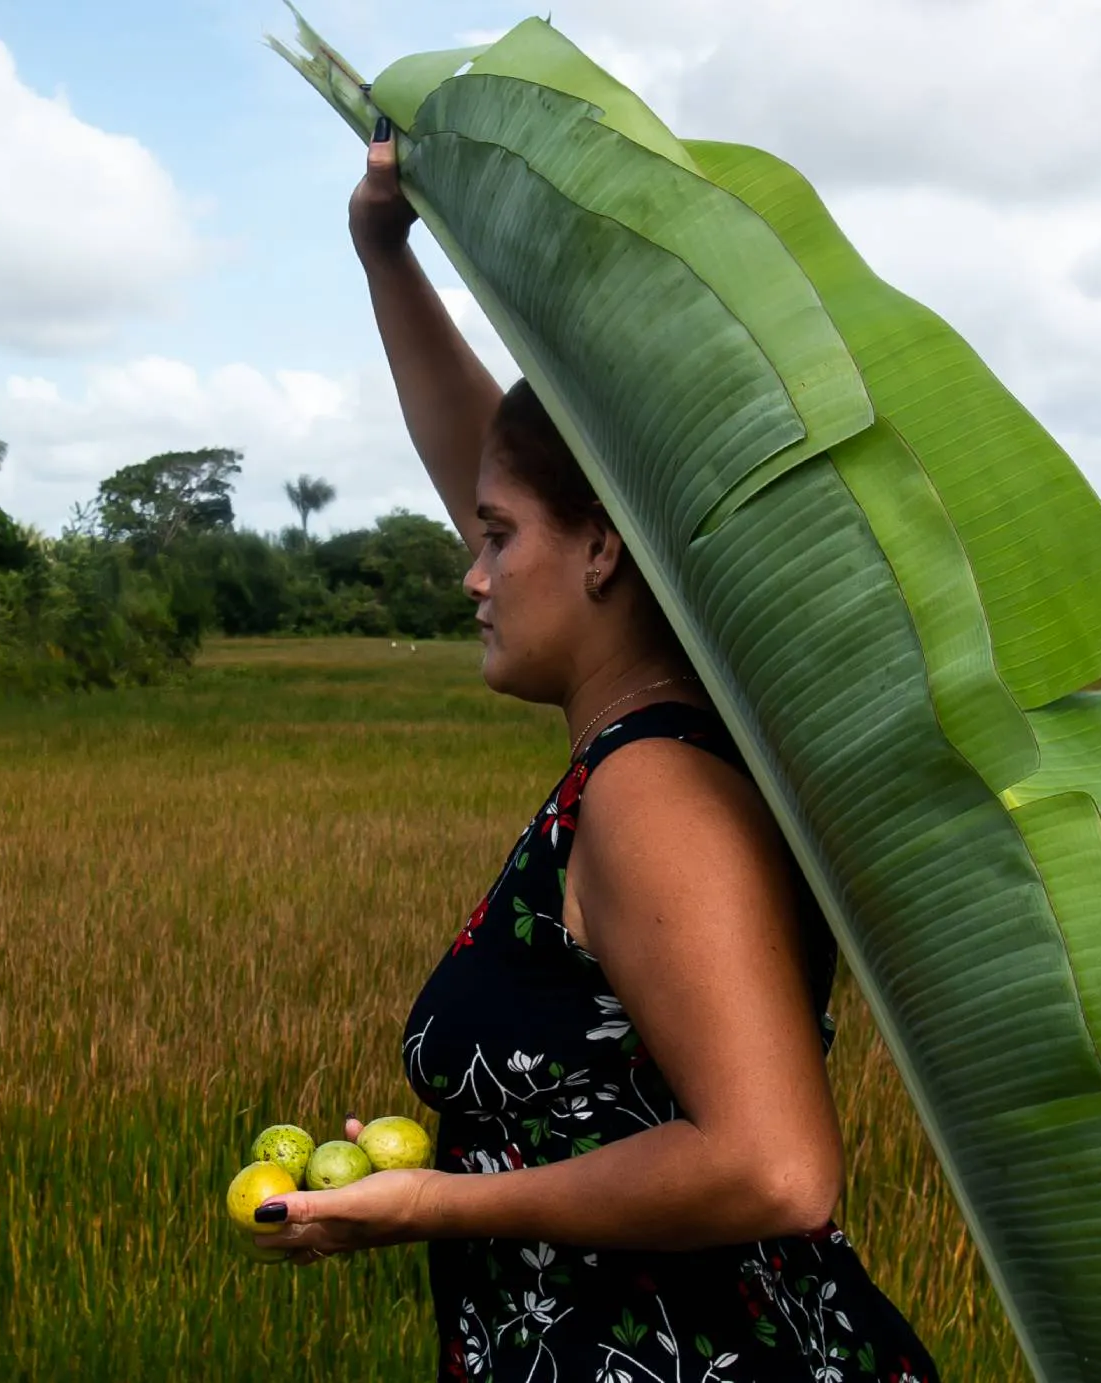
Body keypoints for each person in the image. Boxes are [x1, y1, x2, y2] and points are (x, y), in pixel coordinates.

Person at [252, 117, 942, 1383]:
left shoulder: (653, 791)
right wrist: (385, 258)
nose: (470, 575)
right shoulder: (652, 749)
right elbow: (508, 463)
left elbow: (773, 1169)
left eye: (495, 540)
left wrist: (430, 1205)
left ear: (604, 548)